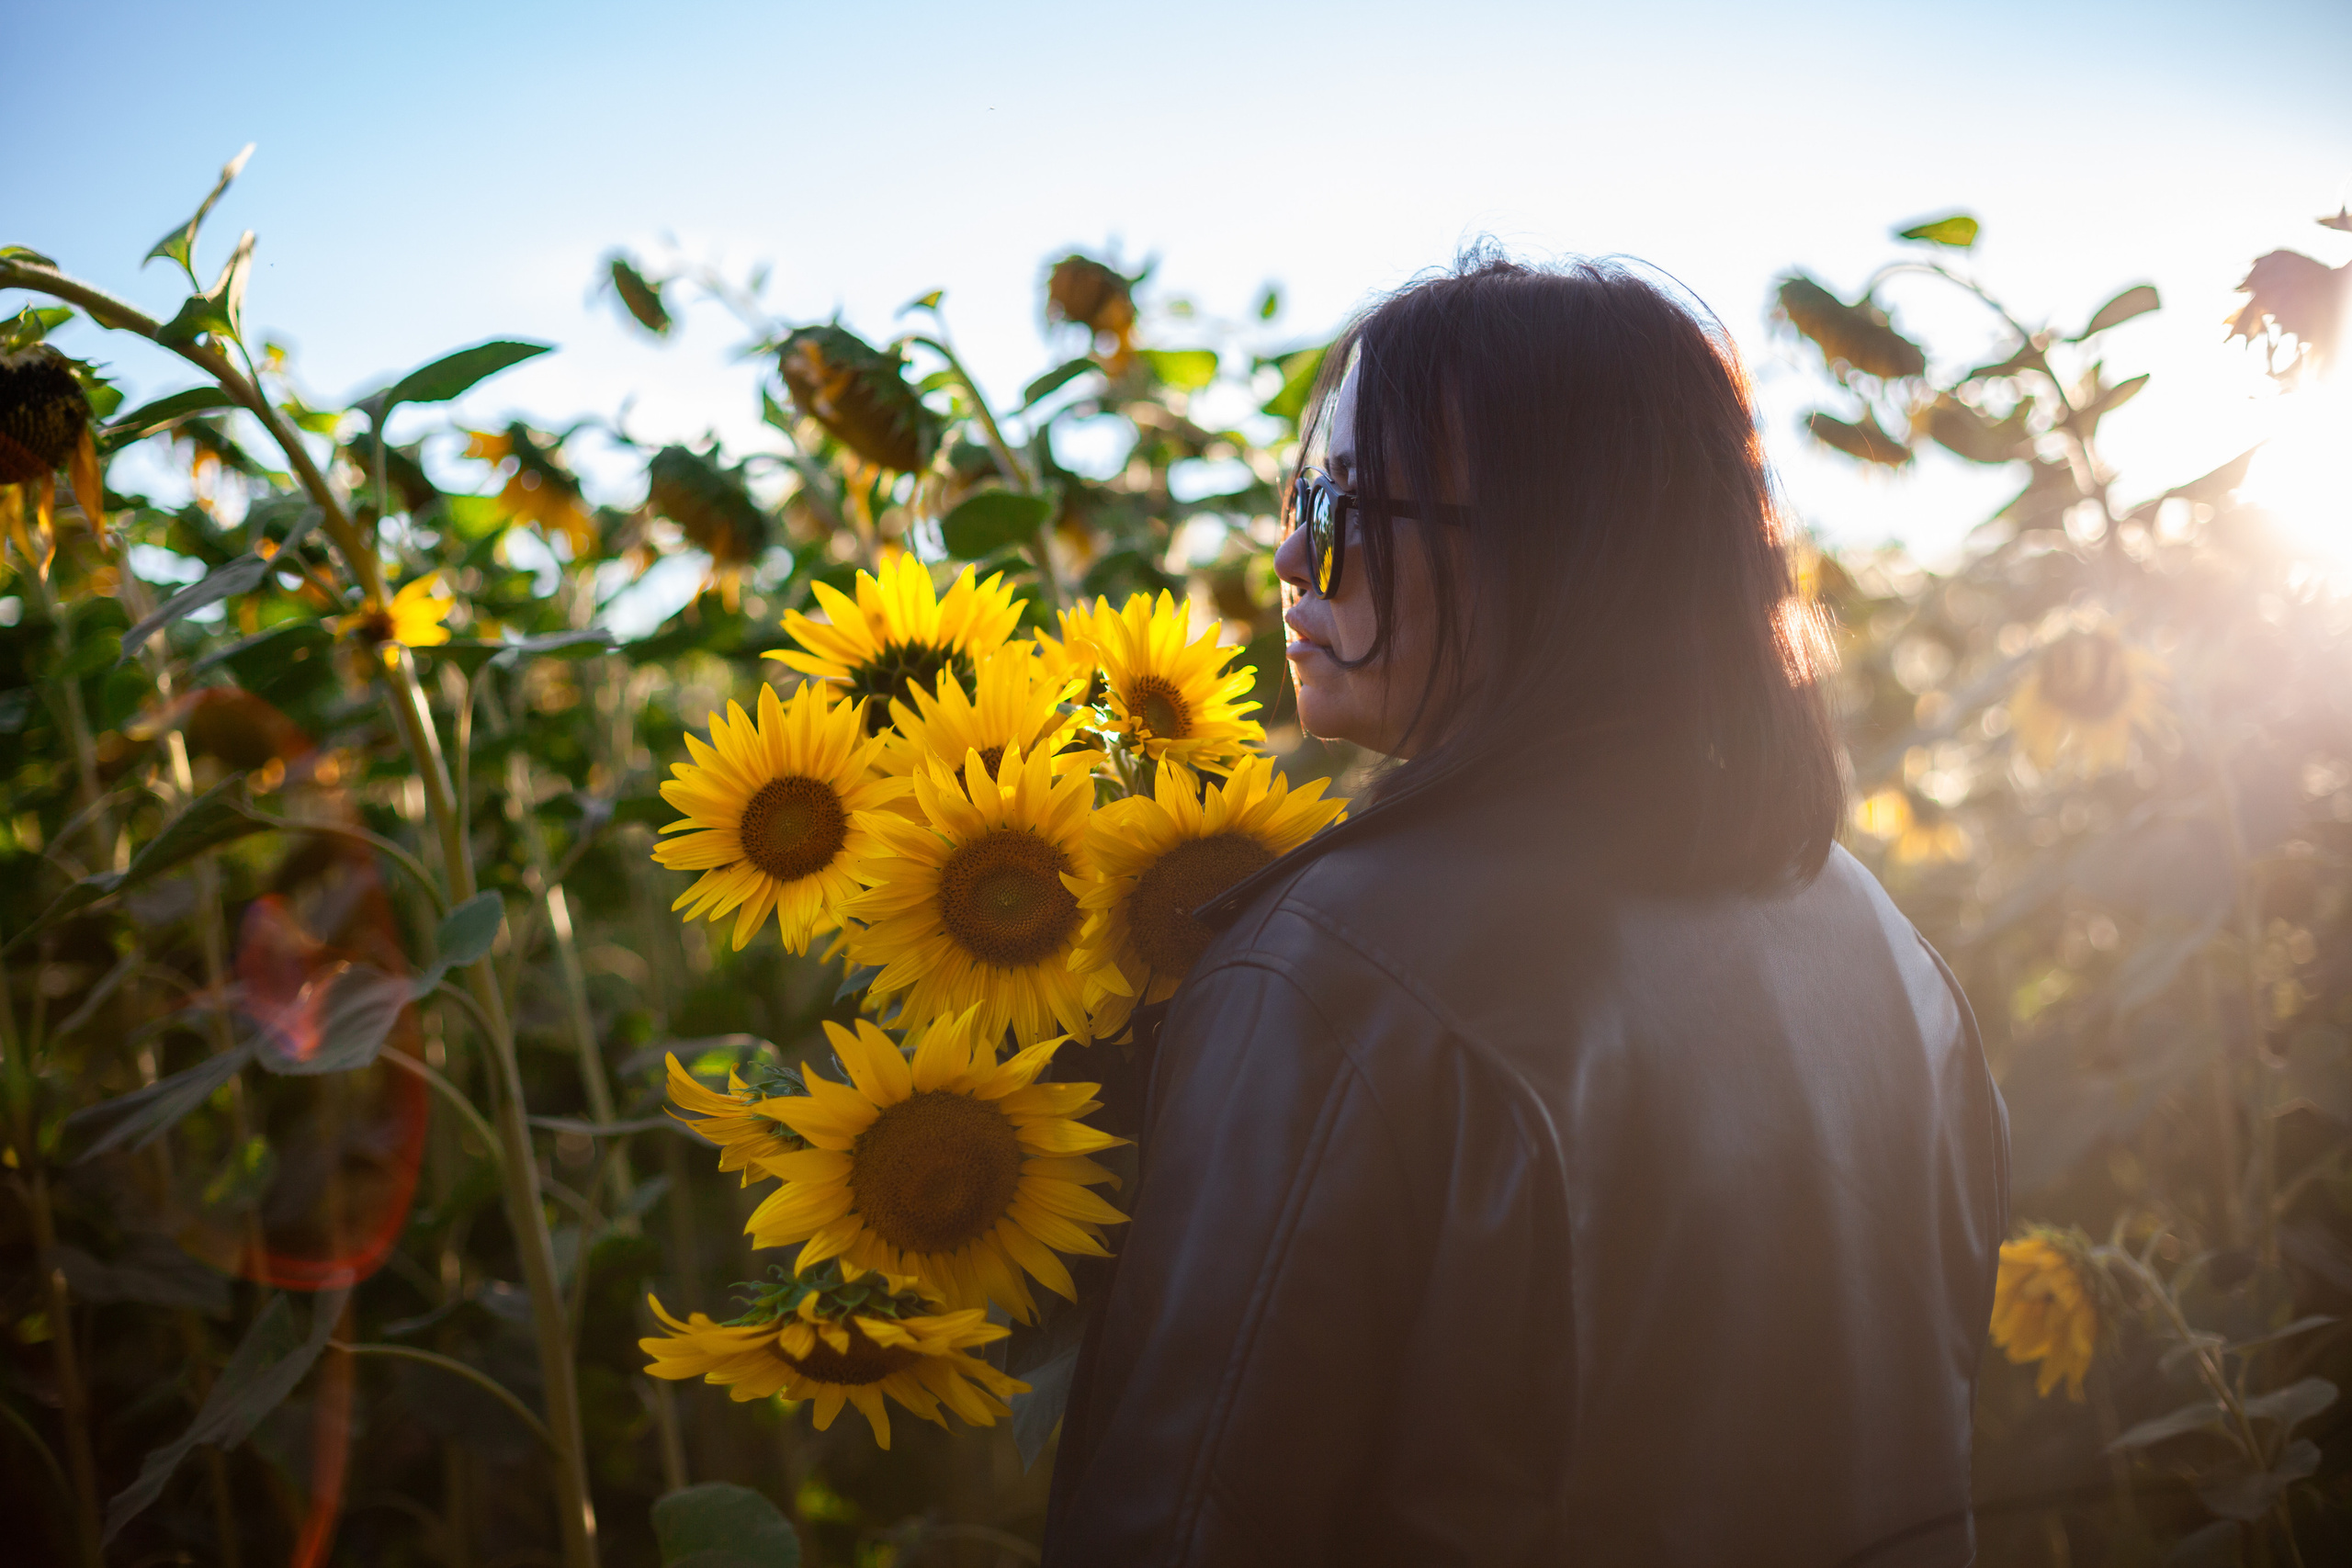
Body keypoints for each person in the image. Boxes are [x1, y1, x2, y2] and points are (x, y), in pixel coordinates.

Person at [1041, 253, 2008, 1567]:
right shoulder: (1876, 939)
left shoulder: (1334, 973)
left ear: (1554, 549)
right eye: (1294, 497)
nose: (1287, 553)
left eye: (1337, 505)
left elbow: (1184, 1516)